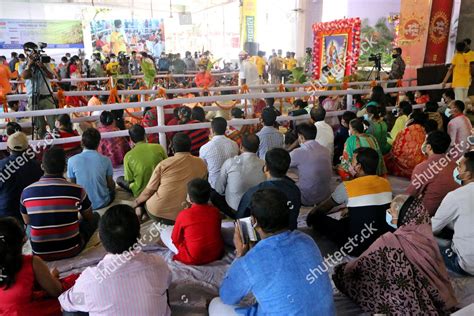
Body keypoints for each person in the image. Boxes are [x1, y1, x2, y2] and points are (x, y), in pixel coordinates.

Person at [210, 189, 335, 316]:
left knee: (216, 304)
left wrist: (240, 255)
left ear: (253, 221)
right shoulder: (307, 240)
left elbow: (227, 296)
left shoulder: (250, 261)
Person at [333, 195, 457, 315]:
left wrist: (342, 272)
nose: (389, 215)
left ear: (402, 215)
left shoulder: (389, 241)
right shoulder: (424, 230)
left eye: (391, 212)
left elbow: (360, 266)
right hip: (441, 297)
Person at [59, 204, 172, 315]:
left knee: (71, 311)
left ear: (100, 238)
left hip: (86, 290)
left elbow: (65, 303)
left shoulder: (91, 280)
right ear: (139, 235)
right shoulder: (158, 264)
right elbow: (167, 282)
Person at [307, 147, 392, 256]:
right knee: (355, 216)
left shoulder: (347, 187)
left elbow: (325, 207)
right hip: (380, 242)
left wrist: (312, 214)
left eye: (352, 162)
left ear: (359, 167)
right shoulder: (386, 183)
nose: (350, 165)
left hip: (354, 247)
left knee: (318, 218)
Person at [21, 147, 99, 261]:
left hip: (40, 253)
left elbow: (27, 221)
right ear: (65, 168)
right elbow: (89, 217)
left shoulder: (26, 192)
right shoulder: (77, 190)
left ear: (42, 167)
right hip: (71, 249)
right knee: (97, 216)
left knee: (29, 227)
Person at [134, 133, 207, 224]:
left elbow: (147, 193)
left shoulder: (163, 164)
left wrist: (136, 202)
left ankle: (139, 212)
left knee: (143, 198)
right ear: (190, 147)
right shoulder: (201, 163)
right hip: (188, 213)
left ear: (172, 147)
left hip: (158, 213)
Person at [0, 217, 66, 315]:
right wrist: (53, 276)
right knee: (73, 295)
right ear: (23, 239)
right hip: (24, 312)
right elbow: (56, 291)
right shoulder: (31, 262)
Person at [160, 179, 224, 265]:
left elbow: (175, 239)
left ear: (189, 198)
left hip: (193, 258)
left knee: (165, 231)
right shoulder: (216, 211)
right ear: (209, 196)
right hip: (216, 254)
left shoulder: (183, 215)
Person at [432, 151, 474, 276]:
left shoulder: (456, 196)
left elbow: (432, 228)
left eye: (459, 166)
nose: (456, 169)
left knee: (422, 239)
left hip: (467, 264)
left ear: (468, 175)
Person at [238, 148, 301, 230]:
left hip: (263, 237)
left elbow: (241, 219)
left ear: (266, 168)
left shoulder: (254, 192)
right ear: (287, 169)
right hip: (290, 233)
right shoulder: (295, 190)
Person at [405, 131, 460, 216]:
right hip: (451, 212)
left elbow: (410, 195)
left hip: (428, 214)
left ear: (429, 147)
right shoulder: (455, 165)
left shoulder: (422, 167)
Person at [213, 135, 266, 216]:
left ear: (241, 146)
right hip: (257, 209)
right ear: (258, 148)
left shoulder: (230, 163)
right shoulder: (265, 165)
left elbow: (219, 189)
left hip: (234, 209)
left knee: (213, 194)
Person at [67, 128, 115, 210]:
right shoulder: (106, 160)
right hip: (103, 202)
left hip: (83, 205)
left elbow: (73, 186)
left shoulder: (71, 160)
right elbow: (110, 185)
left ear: (82, 142)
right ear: (98, 143)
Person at [0, 132, 42, 221]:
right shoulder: (38, 166)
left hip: (6, 214)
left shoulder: (1, 165)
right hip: (31, 213)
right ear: (27, 148)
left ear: (7, 148)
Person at [117, 124, 167, 197]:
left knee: (119, 179)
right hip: (159, 186)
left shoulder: (128, 156)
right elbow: (166, 165)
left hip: (140, 191)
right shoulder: (158, 147)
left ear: (130, 139)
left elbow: (129, 179)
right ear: (145, 135)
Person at [20, 42, 57, 138]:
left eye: (35, 51)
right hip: (33, 98)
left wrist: (43, 67)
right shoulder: (23, 66)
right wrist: (30, 64)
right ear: (26, 52)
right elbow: (25, 76)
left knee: (53, 124)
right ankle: (42, 148)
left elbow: (51, 76)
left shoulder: (44, 61)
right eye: (32, 52)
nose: (35, 54)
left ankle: (57, 145)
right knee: (40, 127)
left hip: (47, 96)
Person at [289, 123, 332, 206]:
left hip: (307, 198)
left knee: (282, 174)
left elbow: (281, 164)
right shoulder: (325, 150)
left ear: (301, 137)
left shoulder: (298, 152)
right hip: (325, 195)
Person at [385, 111, 427, 178]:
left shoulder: (405, 131)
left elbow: (395, 150)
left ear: (411, 120)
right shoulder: (424, 131)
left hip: (404, 164)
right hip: (419, 164)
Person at [199, 117, 239, 188]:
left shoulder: (205, 148)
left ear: (212, 130)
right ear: (226, 129)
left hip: (214, 186)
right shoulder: (234, 144)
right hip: (232, 184)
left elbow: (203, 168)